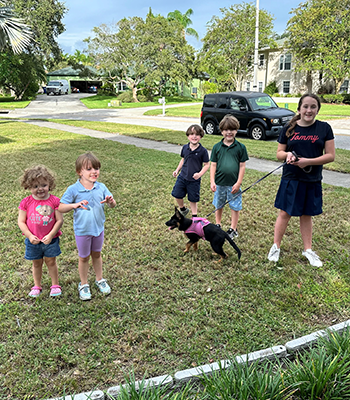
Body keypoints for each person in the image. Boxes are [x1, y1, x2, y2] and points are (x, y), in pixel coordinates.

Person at [267, 93, 335, 267]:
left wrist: (308, 162)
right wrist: (288, 154)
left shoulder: (324, 128)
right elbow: (279, 153)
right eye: (305, 106)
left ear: (318, 109)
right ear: (299, 108)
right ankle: (276, 247)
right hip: (291, 178)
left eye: (313, 107)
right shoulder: (289, 127)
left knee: (306, 214)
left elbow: (330, 156)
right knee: (285, 213)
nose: (309, 110)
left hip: (312, 179)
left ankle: (308, 250)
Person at [58, 152, 116, 300]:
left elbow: (113, 204)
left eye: (96, 168)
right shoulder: (73, 189)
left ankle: (99, 279)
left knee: (97, 254)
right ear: (79, 172)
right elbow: (61, 207)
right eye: (89, 169)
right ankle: (83, 284)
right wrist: (75, 205)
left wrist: (110, 201)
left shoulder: (101, 187)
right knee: (84, 257)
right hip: (83, 231)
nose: (94, 172)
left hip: (98, 229)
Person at [18, 165, 63, 298]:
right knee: (36, 263)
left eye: (43, 185)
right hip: (33, 240)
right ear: (28, 186)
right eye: (35, 186)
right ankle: (37, 285)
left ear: (50, 183)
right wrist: (30, 236)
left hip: (51, 240)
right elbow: (21, 221)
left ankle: (55, 285)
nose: (40, 189)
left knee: (51, 262)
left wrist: (50, 235)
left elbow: (59, 220)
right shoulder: (26, 202)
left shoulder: (54, 201)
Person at [210, 115, 249, 239]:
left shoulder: (241, 147)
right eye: (226, 130)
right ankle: (218, 224)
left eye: (232, 129)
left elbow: (242, 166)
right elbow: (213, 165)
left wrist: (238, 183)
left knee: (234, 206)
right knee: (219, 204)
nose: (229, 132)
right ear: (221, 131)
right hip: (219, 183)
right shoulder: (217, 147)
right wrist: (212, 181)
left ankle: (233, 228)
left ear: (236, 130)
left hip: (233, 184)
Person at [171, 124, 210, 217]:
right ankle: (183, 209)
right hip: (182, 177)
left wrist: (200, 174)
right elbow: (183, 159)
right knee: (177, 194)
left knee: (193, 199)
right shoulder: (185, 148)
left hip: (194, 180)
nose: (194, 136)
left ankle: (194, 216)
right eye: (192, 134)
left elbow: (207, 165)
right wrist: (177, 170)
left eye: (197, 134)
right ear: (188, 136)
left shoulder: (203, 151)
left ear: (201, 136)